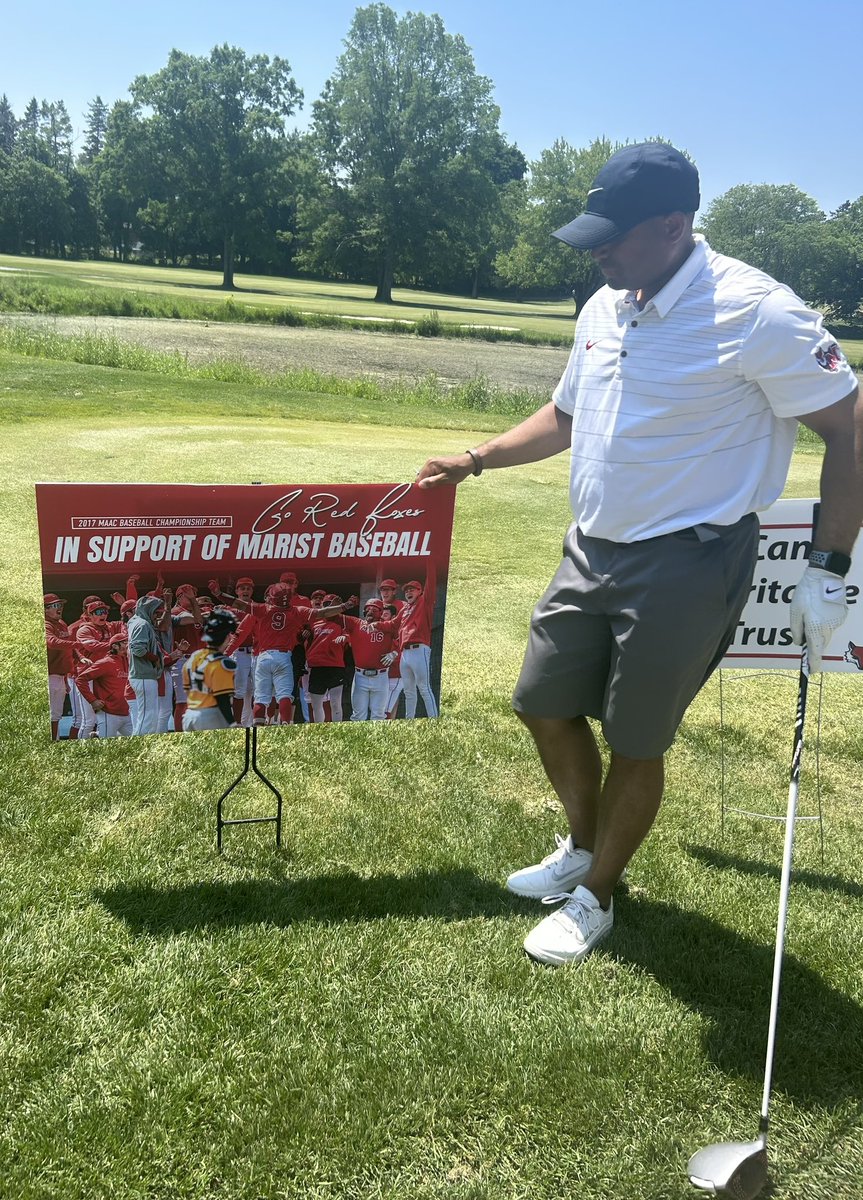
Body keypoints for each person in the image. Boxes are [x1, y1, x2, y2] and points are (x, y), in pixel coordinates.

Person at [416, 141, 862, 968]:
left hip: (690, 559)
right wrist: (474, 459)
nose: (594, 251)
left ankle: (596, 897)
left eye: (609, 236)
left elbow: (847, 426)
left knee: (636, 737)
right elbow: (566, 417)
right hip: (590, 546)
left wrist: (828, 568)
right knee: (540, 702)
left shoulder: (755, 310)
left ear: (672, 225)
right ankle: (584, 850)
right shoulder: (605, 304)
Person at [181, 609, 239, 731]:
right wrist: (232, 723)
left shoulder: (194, 656)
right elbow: (222, 698)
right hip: (210, 716)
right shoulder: (223, 662)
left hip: (189, 715)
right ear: (228, 637)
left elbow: (187, 688)